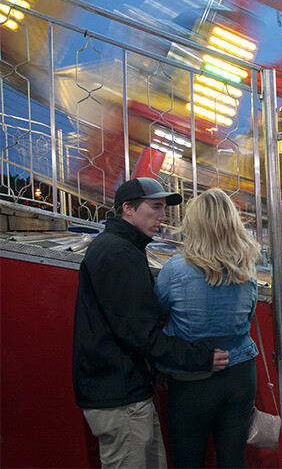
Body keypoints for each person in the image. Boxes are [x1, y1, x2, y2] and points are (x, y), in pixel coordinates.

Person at [73, 177, 229, 469]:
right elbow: (141, 333)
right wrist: (201, 358)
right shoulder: (118, 254)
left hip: (127, 391)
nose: (162, 217)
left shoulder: (124, 248)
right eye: (155, 207)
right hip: (120, 397)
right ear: (128, 209)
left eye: (163, 208)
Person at [154, 188, 262, 468]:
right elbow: (248, 317)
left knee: (188, 459)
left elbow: (158, 317)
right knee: (233, 459)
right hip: (240, 373)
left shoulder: (174, 270)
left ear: (194, 224)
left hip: (191, 376)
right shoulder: (246, 270)